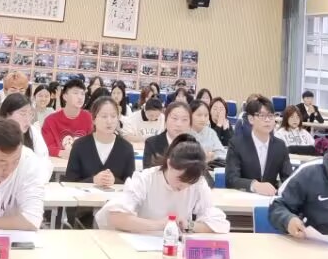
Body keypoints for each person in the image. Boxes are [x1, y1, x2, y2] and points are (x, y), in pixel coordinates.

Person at [95, 133, 229, 233]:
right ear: (169, 163)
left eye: (189, 183)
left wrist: (189, 225)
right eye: (180, 179)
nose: (183, 187)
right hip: (143, 243)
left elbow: (219, 224)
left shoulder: (198, 183)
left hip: (176, 246)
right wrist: (160, 225)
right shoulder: (146, 179)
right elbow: (115, 216)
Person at [226, 96, 293, 195]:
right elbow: (231, 179)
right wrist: (255, 185)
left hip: (270, 199)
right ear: (251, 119)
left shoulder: (280, 146)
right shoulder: (236, 144)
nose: (267, 120)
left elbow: (289, 178)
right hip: (244, 198)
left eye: (271, 116)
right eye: (262, 116)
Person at [65, 95, 135, 184]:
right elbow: (69, 182)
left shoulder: (126, 148)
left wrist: (114, 181)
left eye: (113, 116)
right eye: (104, 116)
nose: (109, 121)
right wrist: (93, 180)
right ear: (93, 119)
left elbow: (132, 184)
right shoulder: (79, 145)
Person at [0, 92, 49, 159]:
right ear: (7, 114)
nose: (28, 120)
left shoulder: (32, 132)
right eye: (23, 114)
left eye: (30, 114)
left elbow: (43, 159)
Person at [41, 78, 93, 158]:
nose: (80, 97)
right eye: (75, 93)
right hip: (58, 163)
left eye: (82, 94)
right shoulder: (50, 120)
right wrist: (62, 153)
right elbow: (45, 146)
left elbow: (93, 144)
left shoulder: (88, 117)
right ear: (65, 96)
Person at [143, 101, 193, 168]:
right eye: (174, 118)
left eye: (184, 120)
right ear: (166, 121)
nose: (179, 124)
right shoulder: (152, 143)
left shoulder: (194, 145)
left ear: (190, 125)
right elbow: (147, 172)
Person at [190, 100, 227, 164]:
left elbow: (222, 153)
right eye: (199, 115)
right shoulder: (183, 132)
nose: (203, 119)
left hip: (209, 167)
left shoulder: (211, 133)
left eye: (206, 115)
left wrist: (213, 155)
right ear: (190, 115)